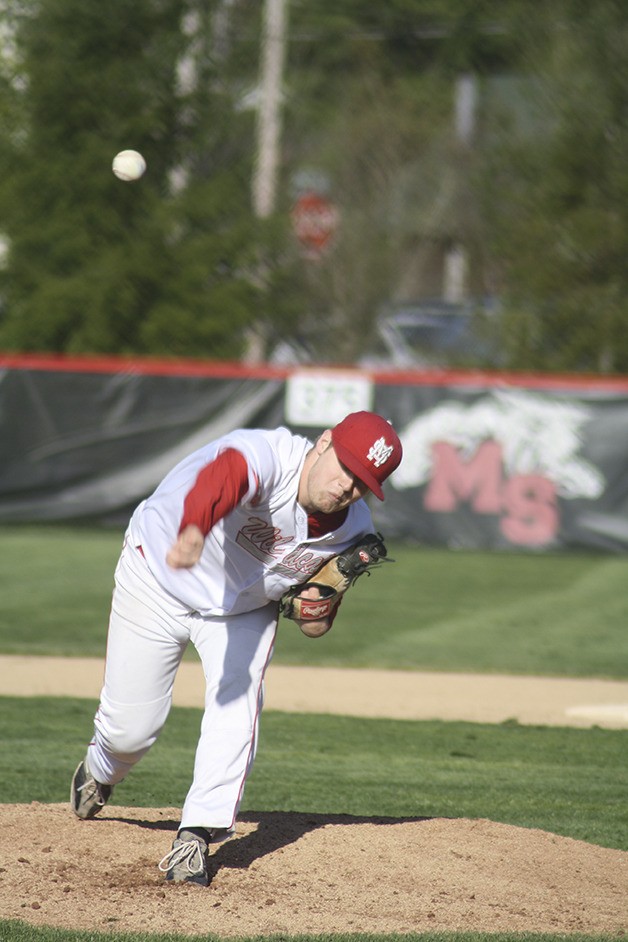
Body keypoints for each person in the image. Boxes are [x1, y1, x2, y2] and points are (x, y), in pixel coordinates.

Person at [70, 410, 402, 886]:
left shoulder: (352, 531)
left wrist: (320, 603)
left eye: (364, 481)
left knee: (237, 700)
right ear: (324, 442)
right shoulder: (267, 456)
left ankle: (196, 837)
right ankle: (101, 769)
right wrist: (192, 529)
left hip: (242, 610)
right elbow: (223, 476)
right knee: (129, 733)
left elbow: (314, 628)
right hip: (157, 577)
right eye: (346, 466)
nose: (348, 486)